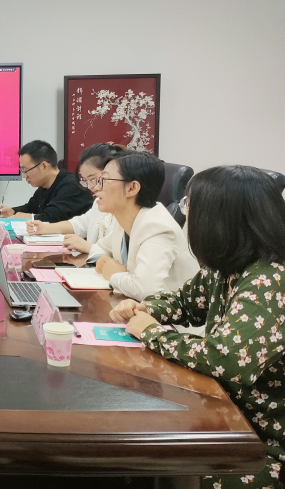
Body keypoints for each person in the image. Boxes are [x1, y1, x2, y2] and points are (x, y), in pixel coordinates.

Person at [111, 166, 285, 489]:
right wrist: (147, 309)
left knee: (159, 453)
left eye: (190, 205)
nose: (186, 213)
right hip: (224, 414)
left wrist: (152, 332)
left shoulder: (270, 279)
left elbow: (228, 359)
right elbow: (185, 302)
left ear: (221, 219)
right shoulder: (227, 264)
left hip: (261, 441)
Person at [88, 151, 199, 301]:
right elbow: (99, 246)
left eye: (104, 180)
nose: (96, 187)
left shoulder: (158, 227)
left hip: (173, 315)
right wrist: (103, 260)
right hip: (135, 307)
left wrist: (114, 274)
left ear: (132, 188)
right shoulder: (125, 218)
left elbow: (146, 290)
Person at [26, 143, 123, 253]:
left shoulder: (126, 212)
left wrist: (88, 247)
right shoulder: (99, 203)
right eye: (86, 181)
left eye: (93, 179)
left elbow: (118, 255)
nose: (91, 187)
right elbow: (80, 223)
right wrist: (45, 228)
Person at [0, 140, 93, 222]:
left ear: (44, 166)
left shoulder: (71, 185)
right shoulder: (44, 187)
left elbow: (52, 218)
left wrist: (28, 217)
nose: (24, 176)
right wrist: (12, 211)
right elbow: (31, 208)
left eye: (26, 170)